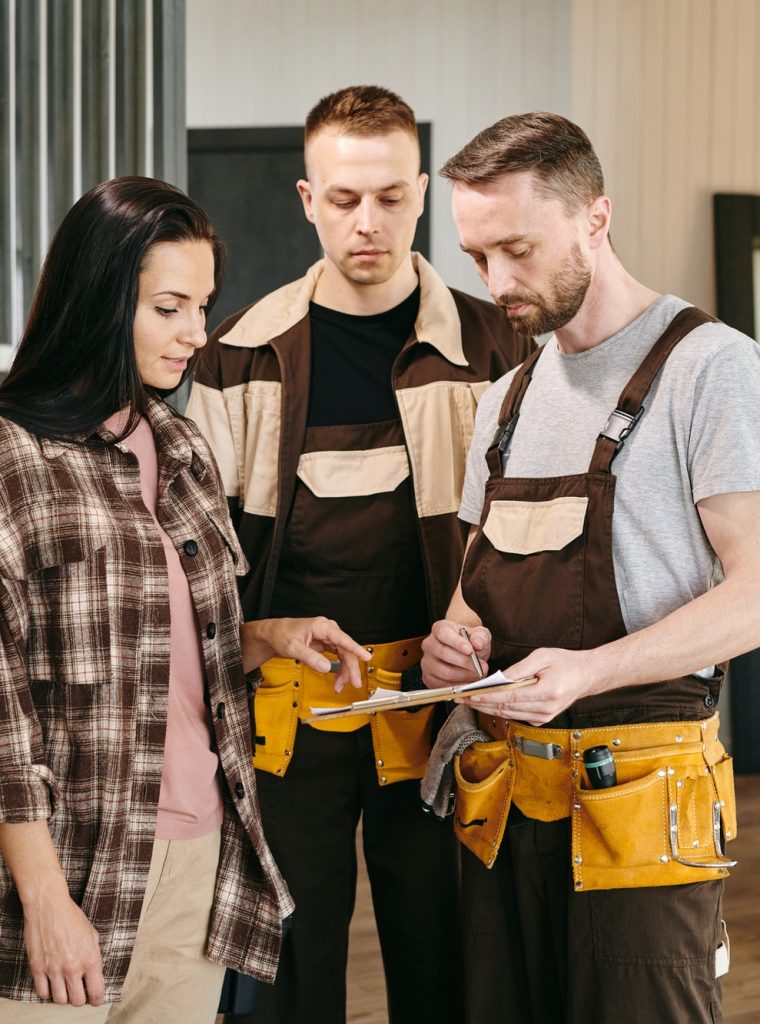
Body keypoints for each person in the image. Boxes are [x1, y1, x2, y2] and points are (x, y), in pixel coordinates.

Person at [187, 85, 533, 1023]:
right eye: (343, 199)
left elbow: (522, 531)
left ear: (422, 194)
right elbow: (205, 558)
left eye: (389, 197)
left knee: (444, 955)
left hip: (440, 708)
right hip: (288, 713)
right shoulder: (239, 355)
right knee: (287, 969)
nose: (367, 222)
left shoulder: (496, 345)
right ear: (308, 200)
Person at [0, 176, 370, 1022]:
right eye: (169, 308)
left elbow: (173, 647)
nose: (197, 334)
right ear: (99, 300)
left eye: (202, 307)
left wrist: (268, 637)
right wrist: (44, 898)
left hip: (199, 856)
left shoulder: (182, 445)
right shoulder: (15, 457)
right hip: (69, 866)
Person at [420, 112, 760, 1024]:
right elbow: (472, 591)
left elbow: (756, 594)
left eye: (518, 250)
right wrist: (452, 645)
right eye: (477, 256)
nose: (497, 282)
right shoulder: (505, 401)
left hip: (639, 806)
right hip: (506, 803)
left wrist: (590, 671)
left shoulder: (712, 369)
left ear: (595, 218)